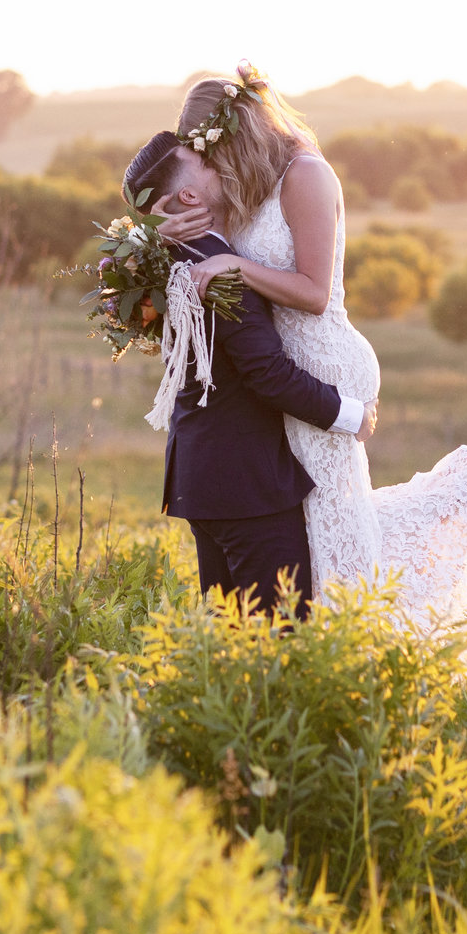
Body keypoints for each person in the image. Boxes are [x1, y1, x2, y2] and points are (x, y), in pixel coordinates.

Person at [151, 65, 467, 662]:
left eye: (213, 152)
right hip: (279, 369)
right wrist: (166, 237)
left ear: (236, 134)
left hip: (322, 361)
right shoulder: (244, 187)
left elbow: (312, 291)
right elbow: (206, 259)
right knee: (307, 528)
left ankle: (466, 498)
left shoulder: (305, 175)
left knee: (332, 533)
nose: (213, 168)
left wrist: (234, 269)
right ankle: (326, 659)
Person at [126, 130, 376, 619]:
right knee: (279, 639)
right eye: (201, 158)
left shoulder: (168, 258)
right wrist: (351, 416)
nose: (213, 155)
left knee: (229, 642)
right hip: (247, 484)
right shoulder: (214, 270)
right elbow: (267, 374)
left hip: (200, 475)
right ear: (190, 197)